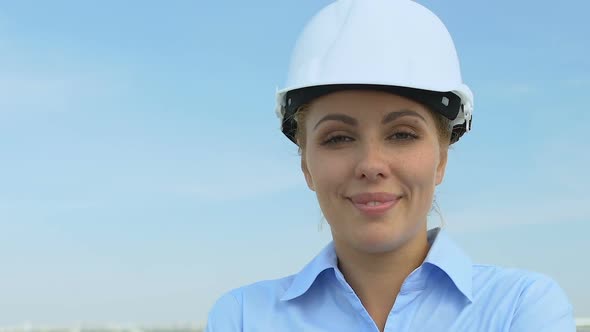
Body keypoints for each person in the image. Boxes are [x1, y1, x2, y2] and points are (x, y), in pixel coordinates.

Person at [205, 0, 575, 331]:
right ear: (306, 164)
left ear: (441, 158)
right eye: (338, 138)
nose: (371, 165)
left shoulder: (520, 308)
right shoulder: (241, 317)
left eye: (402, 134)